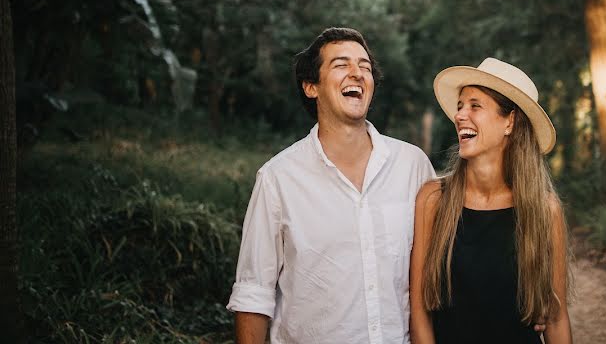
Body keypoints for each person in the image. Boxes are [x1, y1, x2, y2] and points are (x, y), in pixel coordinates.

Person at [228, 27, 436, 344]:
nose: (356, 74)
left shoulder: (413, 166)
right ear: (311, 86)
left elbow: (443, 267)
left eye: (364, 67)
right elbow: (253, 294)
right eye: (341, 65)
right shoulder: (278, 178)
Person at [409, 58, 573, 344]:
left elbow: (556, 319)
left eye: (475, 105)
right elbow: (420, 310)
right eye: (460, 106)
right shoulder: (433, 200)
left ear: (509, 121)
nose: (460, 115)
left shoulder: (544, 210)